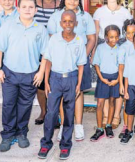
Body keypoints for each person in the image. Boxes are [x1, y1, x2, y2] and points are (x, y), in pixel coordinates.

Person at [0, 0, 49, 152]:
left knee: (25, 105)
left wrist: (40, 72)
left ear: (36, 10)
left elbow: (45, 53)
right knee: (9, 105)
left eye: (31, 7)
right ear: (18, 9)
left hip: (30, 74)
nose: (27, 10)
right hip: (10, 73)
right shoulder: (8, 25)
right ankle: (8, 134)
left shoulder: (40, 29)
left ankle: (21, 133)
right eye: (24, 7)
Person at [47, 0, 96, 141]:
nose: (73, 1)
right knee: (62, 96)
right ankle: (64, 125)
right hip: (60, 65)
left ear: (79, 0)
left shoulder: (85, 16)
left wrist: (82, 57)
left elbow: (92, 39)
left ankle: (79, 125)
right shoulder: (56, 16)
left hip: (79, 62)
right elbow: (51, 39)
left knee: (78, 91)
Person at [38, 10, 86, 160]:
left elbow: (81, 65)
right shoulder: (54, 39)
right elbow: (48, 60)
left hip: (71, 78)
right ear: (60, 24)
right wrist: (46, 81)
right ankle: (46, 143)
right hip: (55, 78)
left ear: (76, 23)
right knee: (51, 113)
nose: (68, 24)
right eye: (64, 21)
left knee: (69, 112)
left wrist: (78, 83)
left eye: (71, 21)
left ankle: (65, 145)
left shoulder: (79, 40)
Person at [92, 0, 133, 129]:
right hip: (103, 46)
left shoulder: (125, 12)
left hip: (120, 46)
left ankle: (116, 115)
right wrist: (93, 52)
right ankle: (104, 114)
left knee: (119, 81)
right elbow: (96, 34)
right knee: (104, 82)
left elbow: (130, 34)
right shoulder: (99, 12)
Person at [34, 0, 60, 126]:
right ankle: (43, 111)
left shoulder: (60, 5)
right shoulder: (35, 4)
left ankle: (54, 113)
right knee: (41, 83)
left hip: (57, 50)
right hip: (38, 50)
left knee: (55, 83)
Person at [90, 25, 120, 141]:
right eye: (111, 37)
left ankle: (108, 125)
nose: (114, 39)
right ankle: (99, 128)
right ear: (106, 37)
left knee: (112, 102)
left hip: (115, 78)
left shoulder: (120, 49)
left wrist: (117, 80)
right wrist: (101, 78)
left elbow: (122, 66)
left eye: (116, 37)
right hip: (103, 78)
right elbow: (96, 63)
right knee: (100, 104)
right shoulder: (101, 48)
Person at [118, 19, 135, 139]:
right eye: (128, 33)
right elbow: (121, 67)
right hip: (127, 80)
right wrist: (121, 84)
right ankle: (126, 125)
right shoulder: (123, 48)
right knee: (127, 103)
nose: (131, 35)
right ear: (125, 33)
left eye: (133, 32)